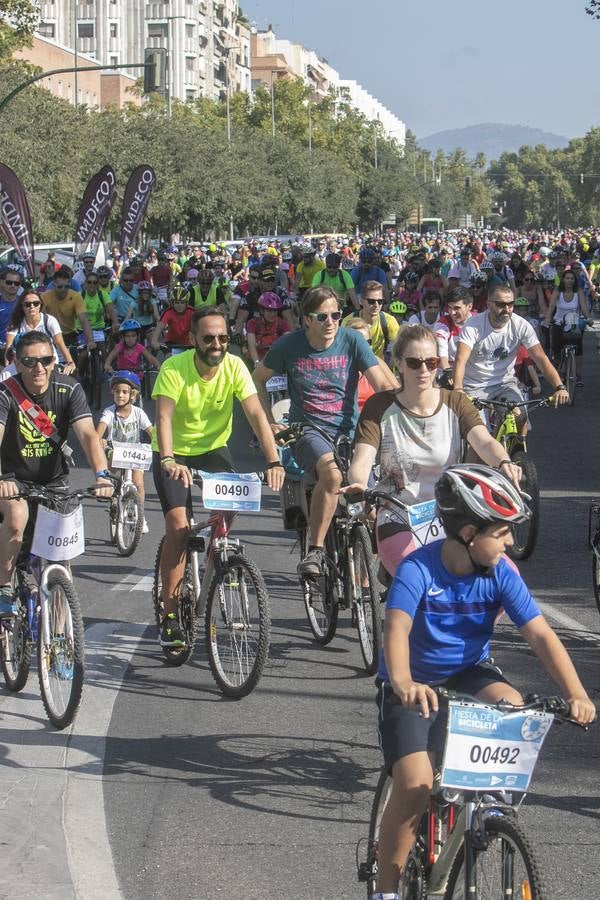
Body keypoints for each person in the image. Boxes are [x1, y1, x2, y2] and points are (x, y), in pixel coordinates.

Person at [370, 463, 595, 899]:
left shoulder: (501, 572)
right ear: (469, 533)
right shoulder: (418, 569)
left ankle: (484, 809)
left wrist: (576, 693)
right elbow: (395, 630)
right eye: (503, 532)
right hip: (411, 683)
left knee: (512, 704)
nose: (511, 541)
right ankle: (386, 889)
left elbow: (541, 635)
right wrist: (402, 681)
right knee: (415, 783)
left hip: (469, 672)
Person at [151, 306, 285, 647]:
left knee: (229, 508)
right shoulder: (174, 368)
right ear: (193, 338)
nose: (216, 344)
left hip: (213, 449)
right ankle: (169, 615)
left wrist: (274, 461)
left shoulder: (235, 365)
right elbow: (163, 417)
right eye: (208, 338)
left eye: (223, 338)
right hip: (174, 452)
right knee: (179, 529)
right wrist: (167, 458)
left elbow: (256, 413)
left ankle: (218, 560)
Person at [346, 325, 521, 576]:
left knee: (506, 576)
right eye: (415, 363)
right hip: (398, 514)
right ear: (399, 363)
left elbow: (483, 441)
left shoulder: (456, 402)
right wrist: (359, 485)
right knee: (421, 576)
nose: (425, 370)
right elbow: (362, 458)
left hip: (452, 514)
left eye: (432, 362)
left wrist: (504, 461)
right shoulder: (379, 406)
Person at [253, 285, 394, 579]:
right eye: (321, 317)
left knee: (370, 503)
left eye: (335, 315)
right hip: (307, 430)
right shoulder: (288, 346)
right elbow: (257, 380)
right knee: (330, 474)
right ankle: (315, 551)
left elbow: (382, 386)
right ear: (306, 319)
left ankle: (379, 563)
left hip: (351, 432)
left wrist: (395, 422)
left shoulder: (352, 340)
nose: (330, 322)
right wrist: (268, 421)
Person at [0, 331, 113, 617]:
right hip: (14, 480)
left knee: (60, 560)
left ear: (55, 361)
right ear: (16, 362)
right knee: (16, 518)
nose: (39, 367)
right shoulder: (5, 393)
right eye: (30, 360)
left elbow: (88, 436)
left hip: (54, 482)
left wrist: (102, 474)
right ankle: (3, 588)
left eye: (46, 360)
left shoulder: (69, 389)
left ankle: (63, 633)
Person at [453, 283, 571, 427]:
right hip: (474, 386)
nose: (507, 309)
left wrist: (560, 387)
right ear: (489, 305)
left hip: (505, 383)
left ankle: (516, 447)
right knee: (478, 433)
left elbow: (540, 358)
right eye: (501, 304)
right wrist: (458, 389)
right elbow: (460, 360)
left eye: (510, 304)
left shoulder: (521, 325)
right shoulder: (473, 326)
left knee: (520, 419)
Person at [96, 370, 153, 534]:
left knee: (139, 483)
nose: (120, 395)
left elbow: (152, 432)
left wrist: (159, 442)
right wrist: (100, 441)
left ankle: (140, 515)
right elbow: (98, 434)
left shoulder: (138, 413)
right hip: (115, 451)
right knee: (112, 474)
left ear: (133, 395)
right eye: (117, 391)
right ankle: (114, 501)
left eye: (124, 392)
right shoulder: (109, 412)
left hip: (134, 453)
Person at [6, 289, 76, 375]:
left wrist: (70, 363)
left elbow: (60, 343)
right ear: (22, 306)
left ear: (40, 305)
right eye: (27, 304)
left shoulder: (49, 320)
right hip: (25, 365)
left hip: (48, 363)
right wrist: (8, 366)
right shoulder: (16, 323)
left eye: (36, 303)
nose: (32, 306)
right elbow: (9, 346)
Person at [544, 268, 593, 387]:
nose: (570, 281)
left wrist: (589, 318)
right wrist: (547, 319)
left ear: (574, 280)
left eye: (572, 278)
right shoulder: (557, 292)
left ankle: (578, 375)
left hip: (573, 323)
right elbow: (551, 307)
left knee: (578, 349)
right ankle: (561, 368)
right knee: (556, 348)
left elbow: (584, 307)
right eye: (567, 278)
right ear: (563, 280)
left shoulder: (579, 291)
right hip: (559, 322)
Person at [341, 280, 399, 361]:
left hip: (380, 367)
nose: (376, 305)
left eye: (380, 301)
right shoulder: (348, 321)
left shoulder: (389, 321)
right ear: (361, 301)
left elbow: (397, 352)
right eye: (371, 301)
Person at [41, 267, 96, 350]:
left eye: (66, 287)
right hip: (50, 336)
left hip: (70, 335)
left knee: (81, 357)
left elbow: (84, 320)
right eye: (60, 287)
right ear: (53, 285)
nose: (63, 290)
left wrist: (91, 341)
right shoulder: (44, 297)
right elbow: (41, 320)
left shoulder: (76, 297)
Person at [245, 292, 290, 367]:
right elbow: (251, 344)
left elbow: (288, 342)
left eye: (275, 311)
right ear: (262, 311)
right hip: (255, 359)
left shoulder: (281, 323)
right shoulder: (252, 323)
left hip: (275, 360)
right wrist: (256, 362)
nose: (272, 314)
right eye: (269, 310)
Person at [150, 287, 194, 351]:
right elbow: (159, 327)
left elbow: (200, 328)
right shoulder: (168, 312)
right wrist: (154, 341)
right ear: (172, 303)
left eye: (182, 302)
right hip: (171, 343)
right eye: (176, 302)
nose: (179, 305)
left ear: (186, 303)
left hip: (188, 344)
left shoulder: (192, 312)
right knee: (169, 358)